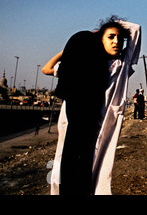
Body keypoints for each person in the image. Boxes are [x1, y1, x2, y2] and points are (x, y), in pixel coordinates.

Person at [42, 16, 141, 195]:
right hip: (77, 125)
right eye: (110, 37)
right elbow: (47, 69)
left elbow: (136, 29)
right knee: (68, 169)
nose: (116, 41)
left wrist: (107, 28)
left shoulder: (122, 64)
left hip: (102, 125)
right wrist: (66, 52)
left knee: (97, 173)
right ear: (100, 39)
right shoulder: (82, 65)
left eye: (120, 38)